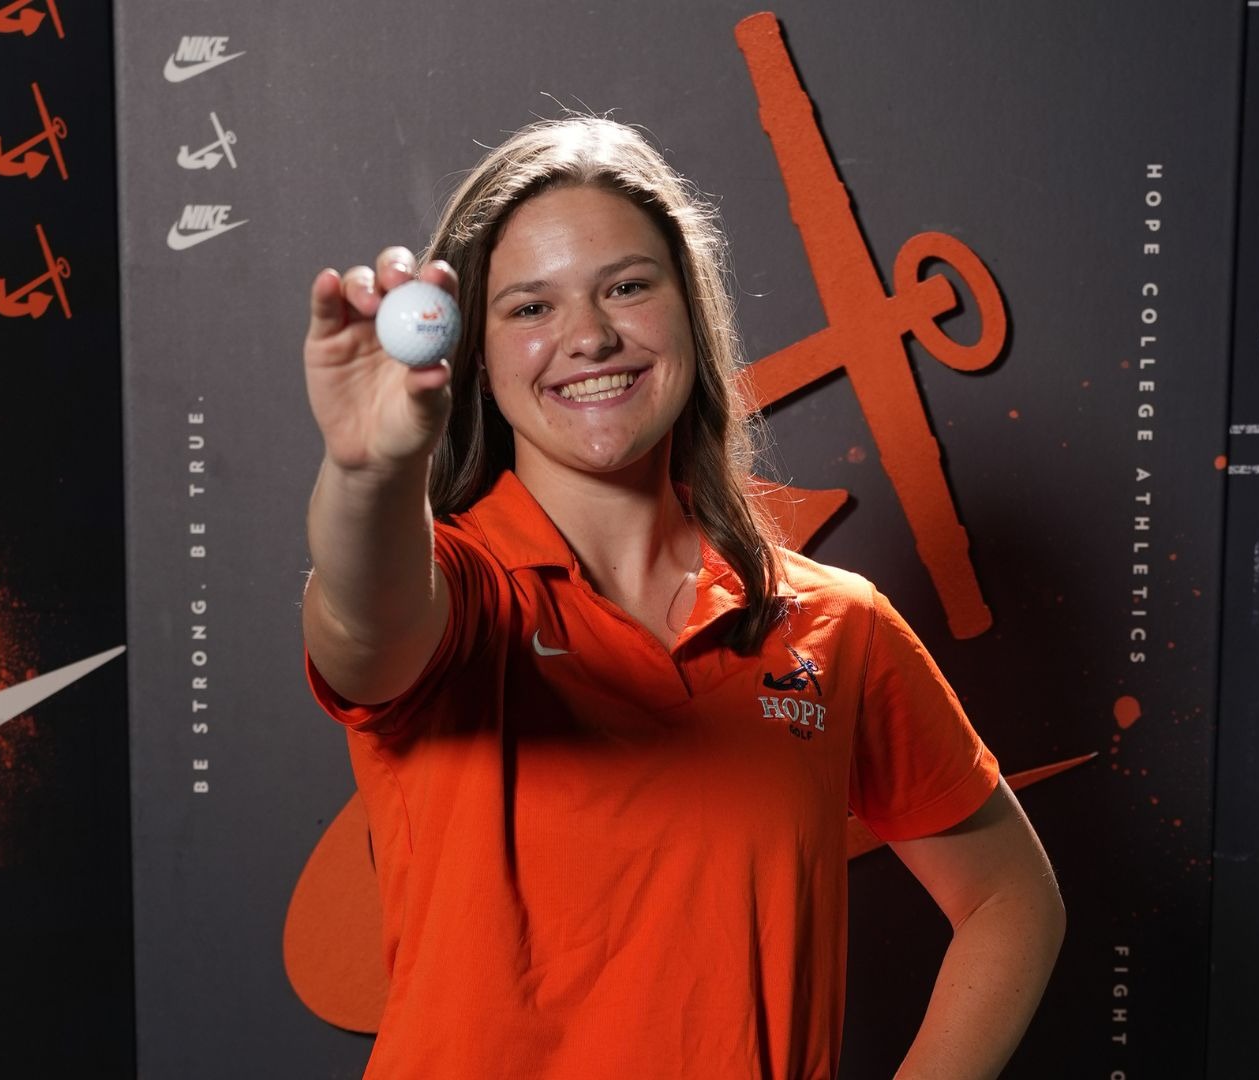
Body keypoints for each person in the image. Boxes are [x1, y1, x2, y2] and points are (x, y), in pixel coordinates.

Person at [300, 117, 1063, 1080]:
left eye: (626, 286)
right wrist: (368, 475)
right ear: (479, 363)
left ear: (691, 316)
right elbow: (363, 620)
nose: (589, 336)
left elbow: (1009, 901)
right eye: (530, 309)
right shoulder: (459, 596)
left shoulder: (835, 625)